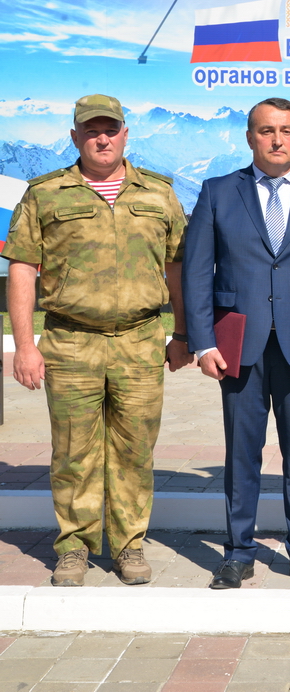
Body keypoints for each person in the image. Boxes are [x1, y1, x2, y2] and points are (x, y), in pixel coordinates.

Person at [2, 94, 191, 586]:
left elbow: (177, 266)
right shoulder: (45, 195)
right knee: (73, 452)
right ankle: (75, 546)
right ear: (74, 137)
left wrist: (184, 333)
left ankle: (129, 545)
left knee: (134, 449)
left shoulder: (158, 194)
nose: (101, 138)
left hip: (139, 339)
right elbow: (22, 267)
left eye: (110, 129)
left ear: (126, 134)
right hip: (70, 343)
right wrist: (25, 345)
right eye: (91, 130)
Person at [182, 97, 290, 590]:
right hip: (238, 345)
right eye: (266, 131)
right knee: (241, 453)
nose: (277, 140)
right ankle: (238, 551)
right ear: (249, 136)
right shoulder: (217, 192)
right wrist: (202, 342)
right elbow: (197, 273)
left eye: (288, 130)